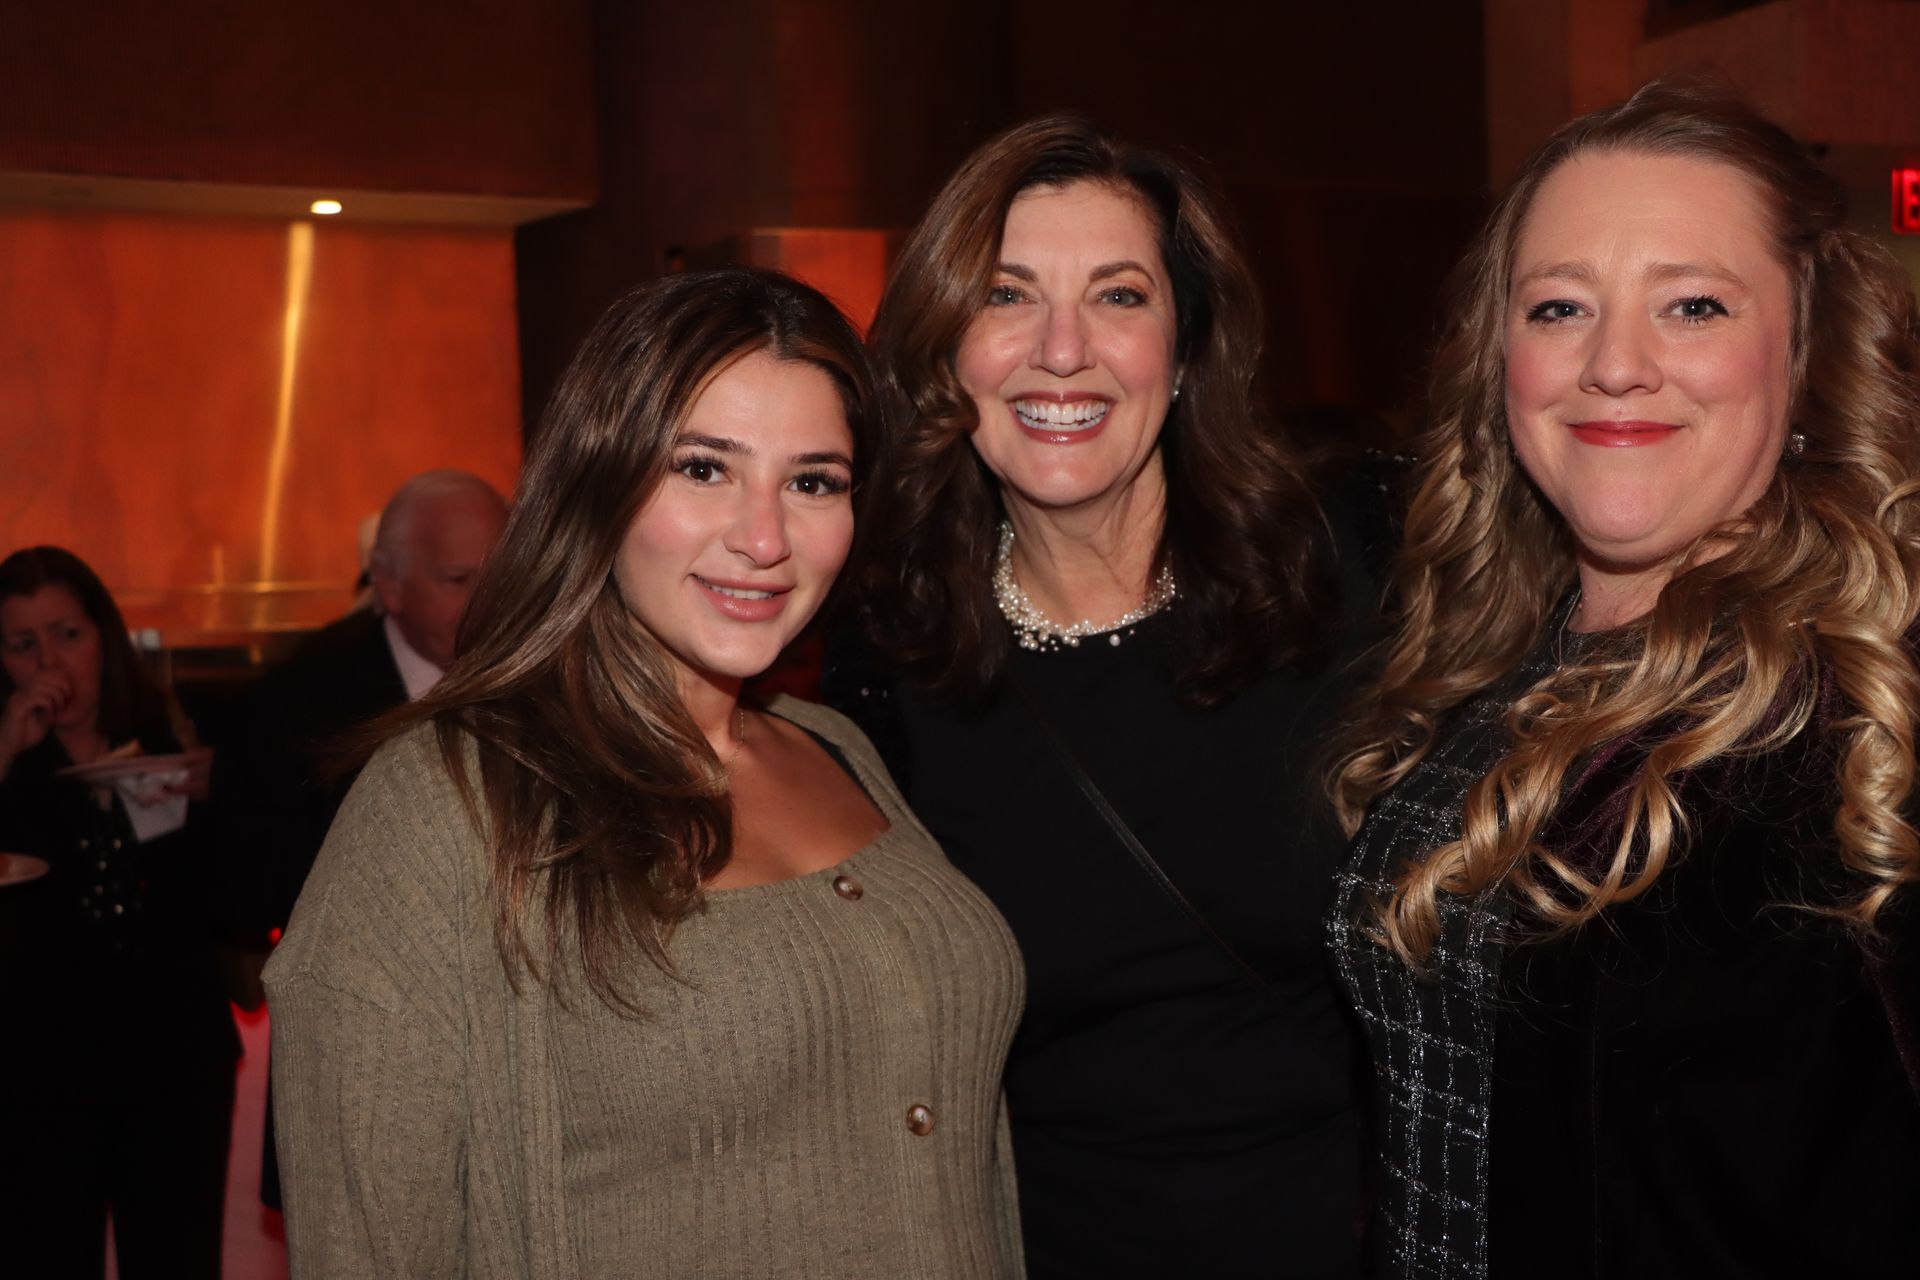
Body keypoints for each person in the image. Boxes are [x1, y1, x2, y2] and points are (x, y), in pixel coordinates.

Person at [264, 267, 1026, 1278]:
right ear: (599, 484)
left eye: (813, 481)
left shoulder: (839, 747)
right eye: (704, 468)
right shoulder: (444, 806)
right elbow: (368, 1245)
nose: (764, 538)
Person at [1326, 80, 1920, 1278]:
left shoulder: (1859, 725)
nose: (1614, 365)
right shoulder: (1499, 646)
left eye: (1693, 305)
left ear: (1805, 351)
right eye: (1560, 307)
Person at [831, 118, 1371, 1277]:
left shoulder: (1343, 578)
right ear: (947, 349)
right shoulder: (883, 673)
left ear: (1184, 348)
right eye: (1007, 295)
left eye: (1118, 296)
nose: (1062, 349)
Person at [216, 468, 508, 1207]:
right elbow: (249, 895)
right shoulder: (293, 707)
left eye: (503, 575)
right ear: (389, 585)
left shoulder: (556, 678)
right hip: (368, 1080)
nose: (490, 605)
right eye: (460, 580)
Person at [0, 546, 236, 1278]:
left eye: (67, 634)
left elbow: (230, 887)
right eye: (22, 644)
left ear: (103, 634)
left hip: (175, 1058)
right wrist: (5, 749)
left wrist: (221, 793)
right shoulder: (10, 758)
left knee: (177, 1259)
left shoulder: (176, 728)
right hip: (40, 1069)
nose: (50, 661)